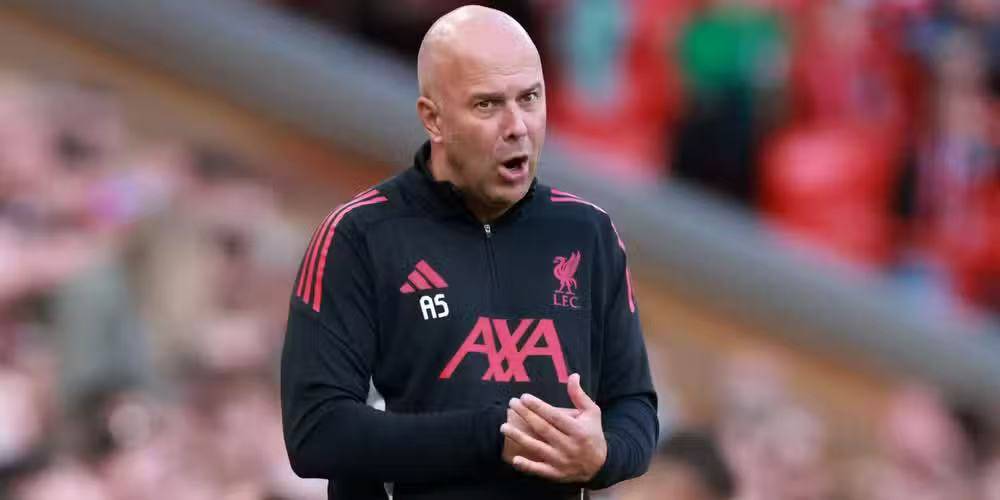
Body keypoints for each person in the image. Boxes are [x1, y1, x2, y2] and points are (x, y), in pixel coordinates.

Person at [280, 5, 658, 499]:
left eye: (530, 98)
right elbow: (315, 432)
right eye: (487, 105)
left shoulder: (588, 235)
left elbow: (635, 407)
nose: (517, 125)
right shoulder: (360, 237)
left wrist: (604, 455)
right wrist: (493, 437)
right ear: (433, 119)